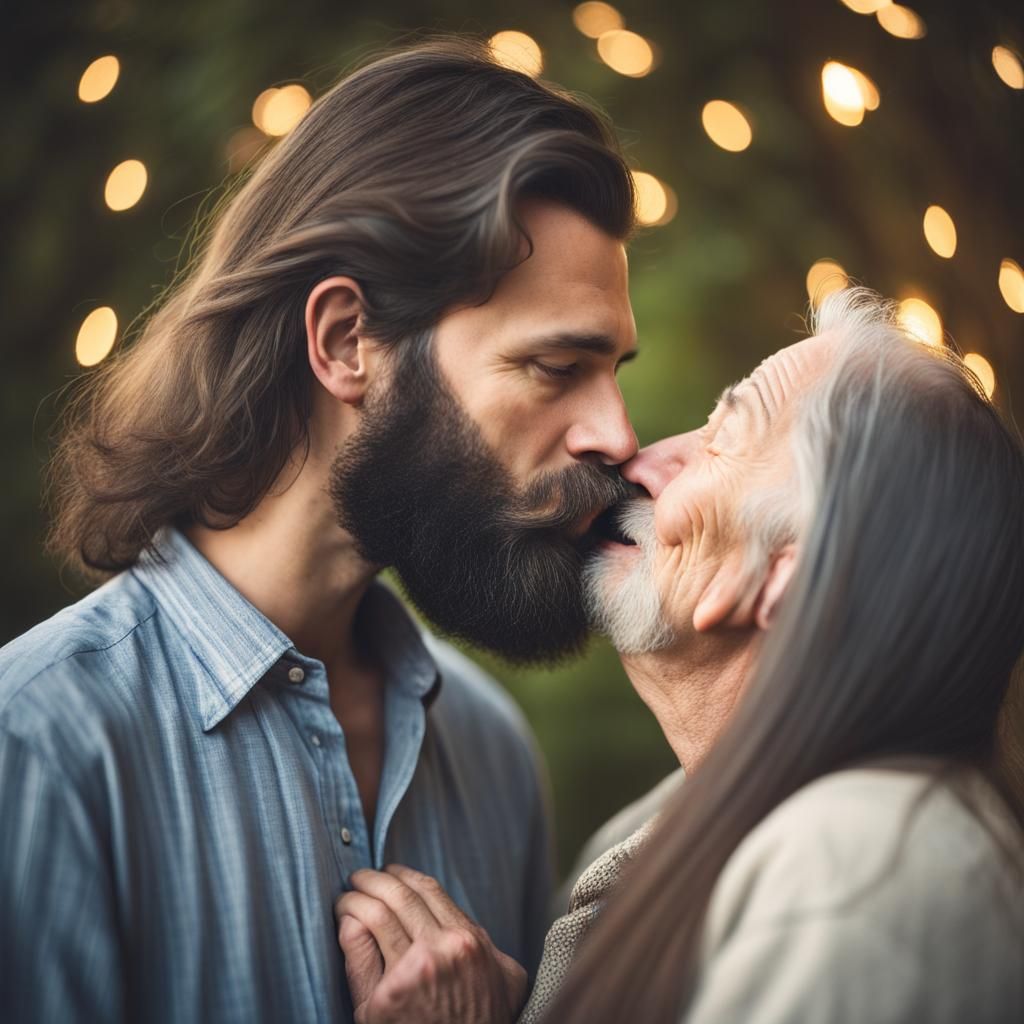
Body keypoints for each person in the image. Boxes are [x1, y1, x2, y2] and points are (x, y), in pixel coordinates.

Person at [0, 39, 643, 1022]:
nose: (616, 434)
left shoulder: (489, 750)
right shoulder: (41, 746)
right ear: (347, 342)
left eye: (615, 373)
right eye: (557, 368)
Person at [335, 289, 1024, 1024]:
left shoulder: (862, 879)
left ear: (786, 577)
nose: (640, 457)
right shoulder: (658, 839)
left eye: (720, 439)